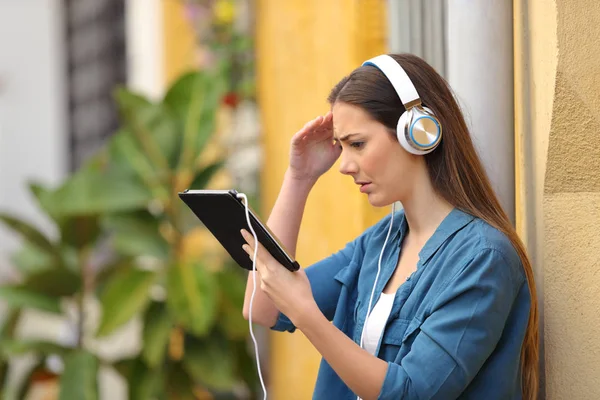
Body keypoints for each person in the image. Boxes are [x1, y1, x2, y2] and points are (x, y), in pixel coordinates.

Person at [240, 53, 539, 400]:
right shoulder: (381, 242)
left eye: (357, 143)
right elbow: (262, 306)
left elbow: (412, 393)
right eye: (341, 146)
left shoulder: (484, 258)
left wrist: (307, 315)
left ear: (419, 132)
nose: (344, 165)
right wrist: (299, 177)